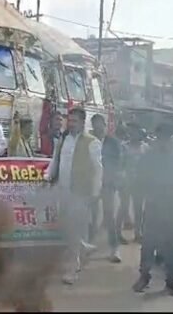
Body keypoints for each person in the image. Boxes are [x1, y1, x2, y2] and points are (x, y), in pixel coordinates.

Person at [132, 123, 173, 301]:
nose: (163, 141)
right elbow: (140, 180)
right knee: (148, 245)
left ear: (172, 138)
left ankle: (172, 283)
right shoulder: (149, 157)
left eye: (166, 138)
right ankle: (144, 277)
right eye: (160, 138)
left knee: (171, 247)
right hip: (153, 207)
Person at [46, 107, 102, 285]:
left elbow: (98, 169)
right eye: (69, 121)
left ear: (83, 122)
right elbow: (55, 160)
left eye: (74, 121)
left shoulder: (92, 142)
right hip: (63, 191)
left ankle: (72, 268)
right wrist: (48, 176)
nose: (70, 124)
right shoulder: (63, 139)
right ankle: (83, 247)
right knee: (67, 227)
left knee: (74, 228)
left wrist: (95, 192)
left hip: (81, 193)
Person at [91, 114, 123, 263]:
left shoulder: (113, 142)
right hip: (91, 183)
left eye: (100, 125)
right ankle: (90, 244)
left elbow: (118, 163)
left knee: (109, 215)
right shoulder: (90, 141)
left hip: (108, 184)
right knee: (91, 216)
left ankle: (114, 247)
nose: (98, 128)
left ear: (104, 125)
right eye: (95, 125)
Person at [122, 123, 149, 243]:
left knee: (139, 209)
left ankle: (138, 233)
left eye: (136, 132)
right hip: (126, 181)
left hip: (140, 182)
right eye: (131, 132)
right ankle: (119, 233)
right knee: (123, 207)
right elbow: (120, 163)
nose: (133, 135)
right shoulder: (124, 147)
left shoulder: (146, 147)